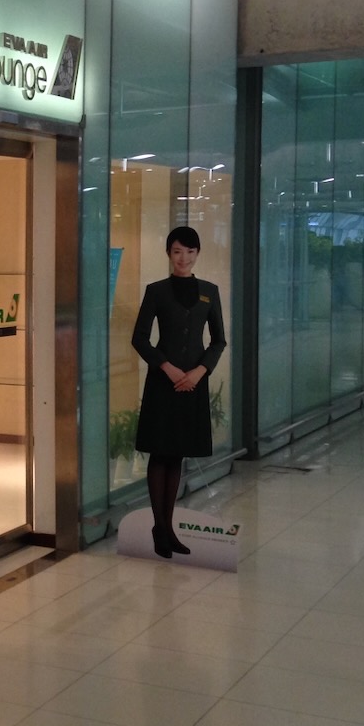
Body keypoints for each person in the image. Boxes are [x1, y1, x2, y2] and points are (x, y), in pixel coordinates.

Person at [131, 226, 226, 558]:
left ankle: (167, 528)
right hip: (163, 382)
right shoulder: (156, 291)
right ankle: (161, 529)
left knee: (178, 453)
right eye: (176, 252)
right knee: (161, 453)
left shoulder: (209, 292)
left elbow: (218, 340)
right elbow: (140, 338)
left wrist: (200, 371)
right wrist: (166, 367)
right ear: (168, 254)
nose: (183, 258)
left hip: (193, 383)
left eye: (189, 252)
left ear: (198, 254)